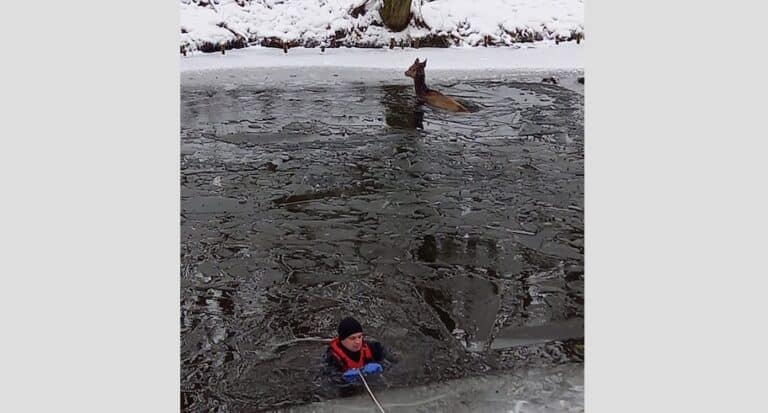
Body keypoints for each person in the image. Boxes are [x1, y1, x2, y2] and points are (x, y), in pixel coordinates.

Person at [325, 316, 386, 382]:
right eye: (352, 338)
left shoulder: (374, 347)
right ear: (342, 340)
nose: (358, 342)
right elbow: (328, 380)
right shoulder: (332, 358)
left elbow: (394, 365)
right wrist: (342, 379)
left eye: (359, 337)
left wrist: (382, 366)